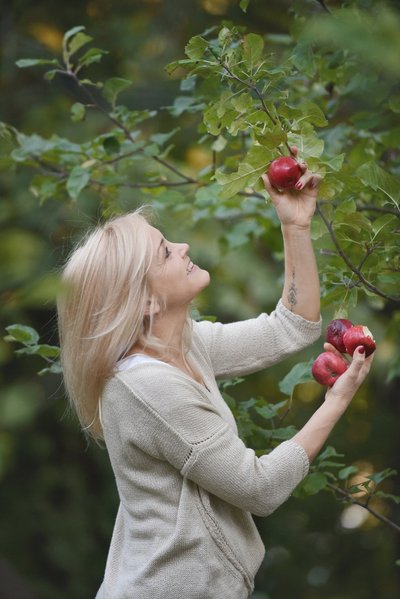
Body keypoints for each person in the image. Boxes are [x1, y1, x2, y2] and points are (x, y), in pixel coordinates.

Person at [57, 148, 373, 599]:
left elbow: (292, 327)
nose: (183, 247)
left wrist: (295, 226)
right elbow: (260, 489)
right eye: (165, 252)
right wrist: (337, 401)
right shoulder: (148, 388)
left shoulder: (183, 344)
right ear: (145, 301)